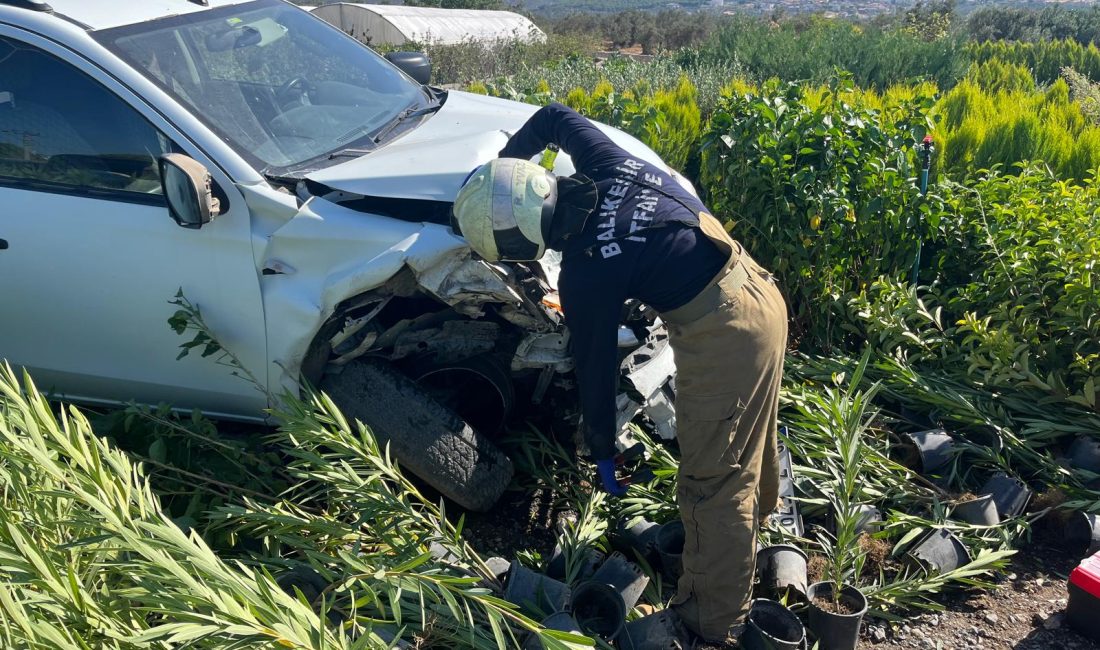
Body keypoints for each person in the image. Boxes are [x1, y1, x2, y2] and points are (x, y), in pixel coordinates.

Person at [451, 102, 788, 646]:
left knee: (712, 484)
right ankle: (758, 530)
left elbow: (594, 373)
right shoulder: (606, 161)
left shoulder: (587, 270)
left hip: (724, 334)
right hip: (757, 290)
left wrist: (603, 455)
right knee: (751, 433)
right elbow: (556, 115)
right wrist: (501, 171)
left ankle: (709, 621)